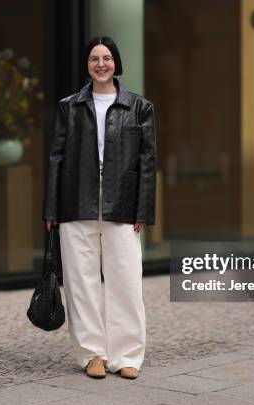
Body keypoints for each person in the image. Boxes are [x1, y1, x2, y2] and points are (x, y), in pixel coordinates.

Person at [42, 36, 156, 380]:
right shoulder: (69, 106)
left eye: (107, 58)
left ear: (116, 63)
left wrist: (143, 211)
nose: (101, 64)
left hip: (122, 204)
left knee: (126, 282)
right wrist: (51, 209)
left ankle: (127, 356)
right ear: (87, 65)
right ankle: (92, 355)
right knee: (81, 283)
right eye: (95, 59)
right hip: (76, 203)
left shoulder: (140, 108)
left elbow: (148, 163)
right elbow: (56, 159)